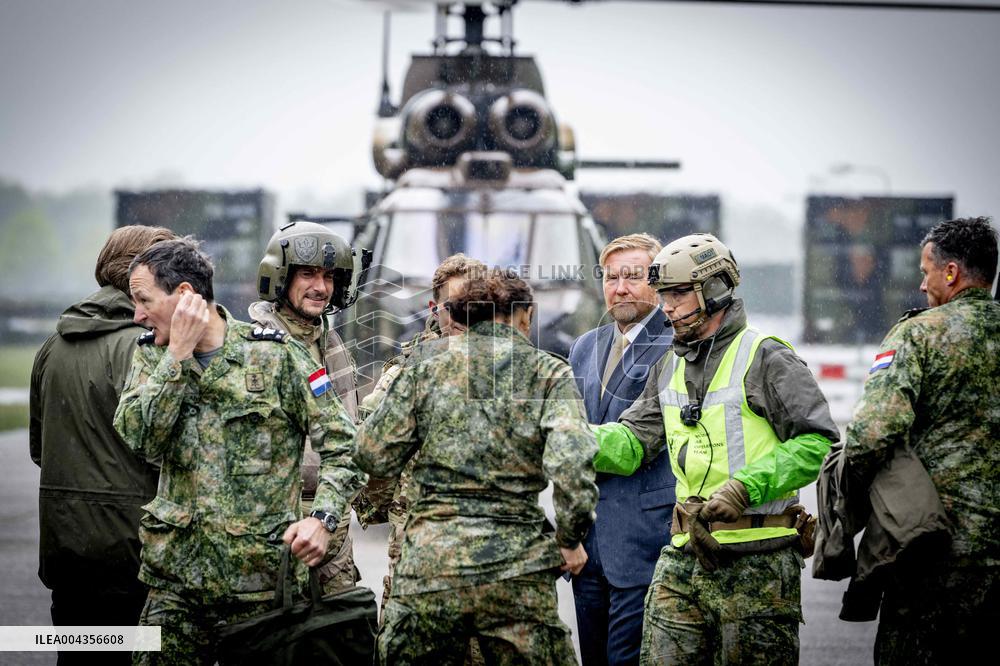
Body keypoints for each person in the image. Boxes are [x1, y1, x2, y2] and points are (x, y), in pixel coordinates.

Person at [113, 237, 366, 664]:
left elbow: (347, 448)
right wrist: (176, 358)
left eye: (143, 300)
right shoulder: (151, 357)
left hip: (263, 592)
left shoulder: (277, 356)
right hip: (176, 589)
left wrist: (321, 520)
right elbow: (139, 438)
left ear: (185, 296)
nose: (137, 315)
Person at [593, 233, 839, 665]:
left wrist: (745, 487)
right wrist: (570, 436)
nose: (666, 306)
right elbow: (632, 442)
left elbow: (818, 443)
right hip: (684, 556)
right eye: (663, 294)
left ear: (716, 289)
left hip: (758, 563)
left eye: (677, 294)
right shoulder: (668, 364)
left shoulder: (767, 358)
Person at [355, 271, 599, 665]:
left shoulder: (423, 371)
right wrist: (570, 539)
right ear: (526, 314)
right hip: (515, 570)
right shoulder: (548, 374)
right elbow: (572, 462)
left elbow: (371, 453)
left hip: (429, 567)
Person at [835, 217, 999, 664]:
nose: (922, 285)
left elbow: (871, 435)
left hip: (934, 548)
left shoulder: (919, 334)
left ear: (950, 273)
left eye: (926, 272)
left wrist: (847, 507)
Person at [29, 225, 175, 665]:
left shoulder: (51, 347)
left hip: (67, 555)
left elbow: (40, 449)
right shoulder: (146, 348)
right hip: (136, 556)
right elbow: (170, 450)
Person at [353, 252, 487, 610]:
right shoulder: (407, 371)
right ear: (434, 307)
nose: (461, 316)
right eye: (452, 306)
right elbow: (366, 448)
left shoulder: (510, 371)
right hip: (417, 548)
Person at [567, 233, 675, 666]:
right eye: (611, 277)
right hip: (588, 548)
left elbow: (572, 438)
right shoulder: (584, 347)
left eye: (633, 276)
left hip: (643, 541)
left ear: (659, 281)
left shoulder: (675, 347)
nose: (620, 288)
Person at [250, 220, 362, 593]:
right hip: (272, 528)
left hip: (332, 529)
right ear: (280, 277)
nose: (321, 287)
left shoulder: (331, 344)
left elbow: (350, 438)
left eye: (329, 276)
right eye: (308, 274)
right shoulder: (255, 349)